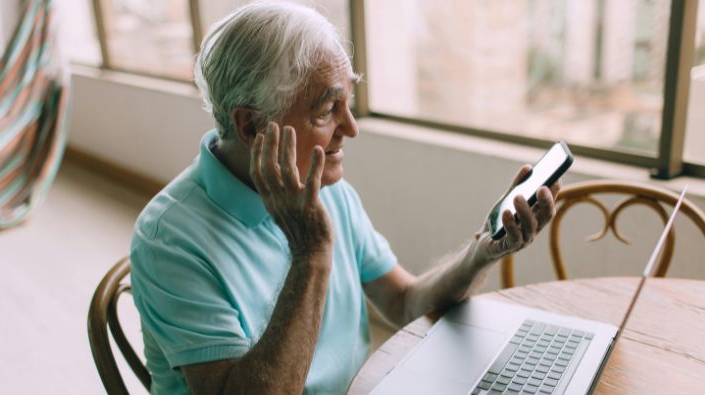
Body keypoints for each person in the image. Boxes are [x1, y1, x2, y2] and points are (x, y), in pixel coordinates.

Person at [129, 3, 560, 394]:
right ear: (251, 127)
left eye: (348, 103)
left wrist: (482, 251)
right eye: (326, 109)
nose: (351, 128)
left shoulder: (328, 192)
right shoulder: (169, 239)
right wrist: (311, 253)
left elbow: (404, 301)